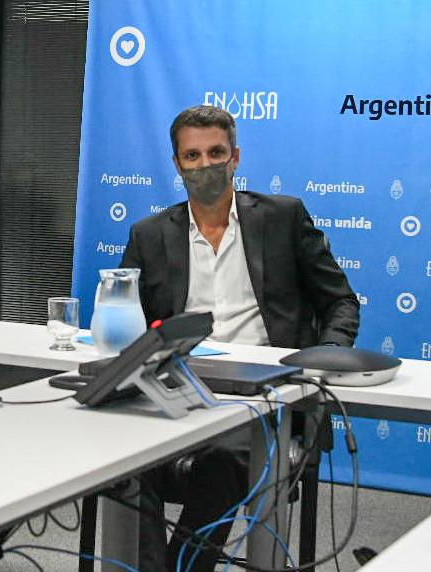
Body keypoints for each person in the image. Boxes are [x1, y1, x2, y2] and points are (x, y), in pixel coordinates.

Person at [119, 105, 359, 571]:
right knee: (122, 457)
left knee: (224, 459)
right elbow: (129, 324)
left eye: (216, 153)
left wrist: (325, 355)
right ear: (176, 164)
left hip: (268, 396)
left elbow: (341, 301)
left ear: (235, 157)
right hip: (179, 390)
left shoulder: (283, 217)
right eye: (192, 156)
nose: (204, 165)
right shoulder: (148, 235)